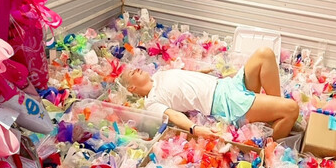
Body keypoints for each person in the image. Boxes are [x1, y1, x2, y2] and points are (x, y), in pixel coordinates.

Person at [122, 45, 302, 140]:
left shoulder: (159, 75)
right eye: (132, 73)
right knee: (292, 109)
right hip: (226, 101)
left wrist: (205, 72)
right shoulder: (152, 101)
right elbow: (174, 116)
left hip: (227, 84)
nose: (136, 69)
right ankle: (271, 147)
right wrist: (195, 129)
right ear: (131, 88)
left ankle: (273, 115)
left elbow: (185, 80)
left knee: (265, 53)